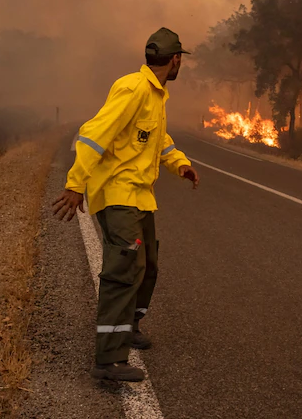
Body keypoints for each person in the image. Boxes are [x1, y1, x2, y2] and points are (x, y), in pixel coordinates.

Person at [52, 27, 200, 382]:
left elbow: (158, 140)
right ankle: (109, 359)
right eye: (181, 58)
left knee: (147, 265)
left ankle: (130, 325)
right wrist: (76, 185)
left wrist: (179, 163)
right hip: (117, 194)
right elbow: (93, 134)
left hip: (140, 195)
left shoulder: (156, 94)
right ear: (175, 59)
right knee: (122, 270)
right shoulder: (132, 88)